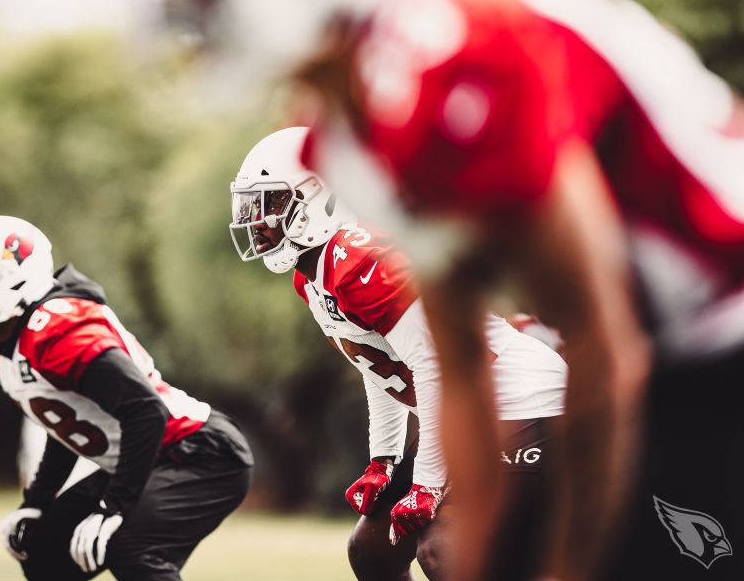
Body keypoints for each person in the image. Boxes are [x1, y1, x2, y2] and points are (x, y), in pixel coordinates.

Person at [294, 0, 744, 581]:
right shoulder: (354, 127)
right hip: (669, 334)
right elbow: (460, 365)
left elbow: (603, 342)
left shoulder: (460, 54)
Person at [230, 127, 567, 580]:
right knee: (372, 548)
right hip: (462, 405)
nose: (259, 220)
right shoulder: (313, 276)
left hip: (523, 404)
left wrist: (426, 485)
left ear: (319, 198)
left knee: (444, 549)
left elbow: (438, 369)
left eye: (270, 204)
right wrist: (383, 459)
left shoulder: (359, 264)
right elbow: (380, 368)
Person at [0, 215, 252, 581]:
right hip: (151, 457)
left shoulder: (57, 331)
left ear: (12, 282)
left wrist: (113, 508)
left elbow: (146, 411)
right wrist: (36, 504)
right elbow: (67, 424)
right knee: (46, 553)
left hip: (201, 453)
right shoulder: (9, 345)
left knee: (131, 548)